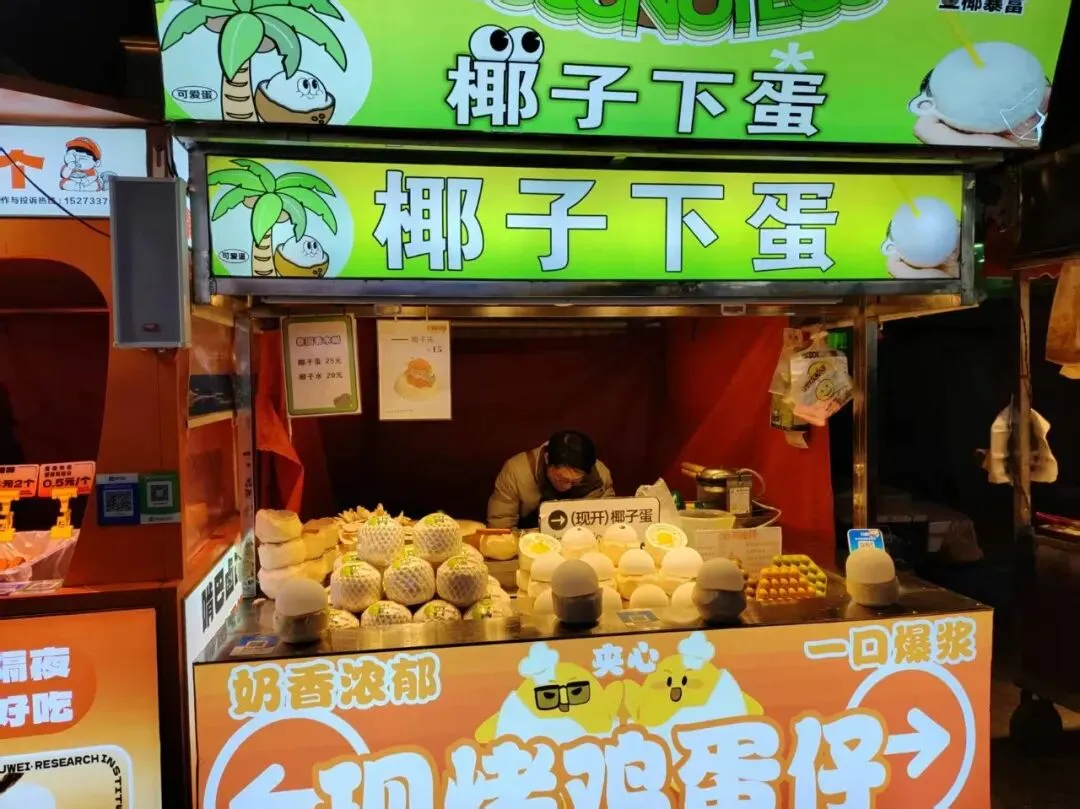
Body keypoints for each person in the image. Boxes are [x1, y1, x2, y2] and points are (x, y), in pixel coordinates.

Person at [487, 431, 615, 529]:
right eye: (561, 479)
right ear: (547, 458)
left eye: (575, 481)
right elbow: (500, 528)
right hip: (529, 543)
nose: (567, 486)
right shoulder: (516, 472)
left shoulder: (600, 476)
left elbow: (608, 525)